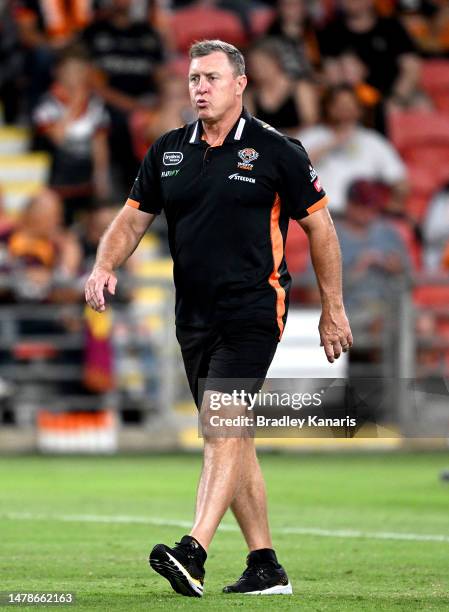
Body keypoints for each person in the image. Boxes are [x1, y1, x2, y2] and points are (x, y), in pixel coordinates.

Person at [85, 39, 352, 597]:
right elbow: (133, 220)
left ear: (239, 84)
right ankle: (265, 566)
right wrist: (104, 265)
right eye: (192, 79)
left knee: (221, 423)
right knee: (234, 436)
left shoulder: (278, 150)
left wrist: (333, 309)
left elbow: (321, 229)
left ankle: (195, 550)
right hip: (194, 315)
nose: (199, 88)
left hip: (255, 307)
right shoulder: (168, 151)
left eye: (210, 78)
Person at [299, 84, 408, 215]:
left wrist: (392, 204)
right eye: (339, 105)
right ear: (328, 107)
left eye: (350, 105)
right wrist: (331, 144)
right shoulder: (311, 136)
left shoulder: (373, 140)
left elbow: (399, 180)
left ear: (360, 110)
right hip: (319, 214)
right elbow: (293, 170)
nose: (344, 110)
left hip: (360, 218)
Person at [33, 47, 110, 225]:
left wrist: (102, 179)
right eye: (71, 70)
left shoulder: (96, 104)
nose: (76, 76)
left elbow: (99, 144)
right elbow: (58, 137)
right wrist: (76, 102)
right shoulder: (47, 104)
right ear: (58, 72)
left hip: (86, 181)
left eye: (80, 70)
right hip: (55, 182)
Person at [246, 37, 318, 134]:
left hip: (301, 140)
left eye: (262, 64)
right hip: (268, 144)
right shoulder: (249, 95)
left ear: (276, 62)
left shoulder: (300, 87)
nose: (257, 70)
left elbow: (311, 122)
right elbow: (250, 128)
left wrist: (285, 139)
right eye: (253, 66)